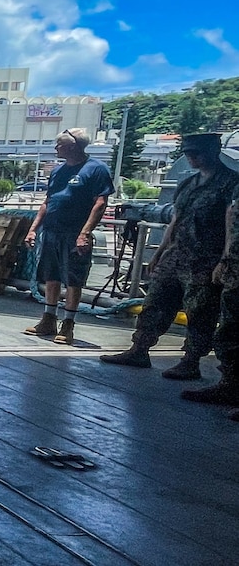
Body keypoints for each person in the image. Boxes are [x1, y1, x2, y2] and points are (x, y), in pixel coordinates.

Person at [102, 133, 239, 377]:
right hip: (176, 255)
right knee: (155, 302)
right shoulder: (189, 184)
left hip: (206, 260)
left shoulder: (230, 184)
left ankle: (191, 361)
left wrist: (225, 260)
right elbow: (176, 220)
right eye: (187, 153)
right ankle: (139, 349)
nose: (191, 157)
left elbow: (232, 224)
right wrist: (160, 253)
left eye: (196, 153)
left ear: (213, 151)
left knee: (200, 312)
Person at [22, 128, 113, 345]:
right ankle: (48, 319)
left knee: (73, 279)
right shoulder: (58, 171)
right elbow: (48, 202)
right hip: (52, 231)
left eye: (59, 145)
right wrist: (33, 229)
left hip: (75, 233)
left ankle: (68, 324)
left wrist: (85, 233)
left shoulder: (96, 169)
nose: (56, 148)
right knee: (51, 276)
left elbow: (100, 203)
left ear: (72, 147)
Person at [183, 156, 239, 411]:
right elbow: (232, 218)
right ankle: (231, 385)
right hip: (230, 262)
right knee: (229, 328)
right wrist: (226, 258)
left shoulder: (229, 182)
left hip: (220, 258)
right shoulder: (192, 183)